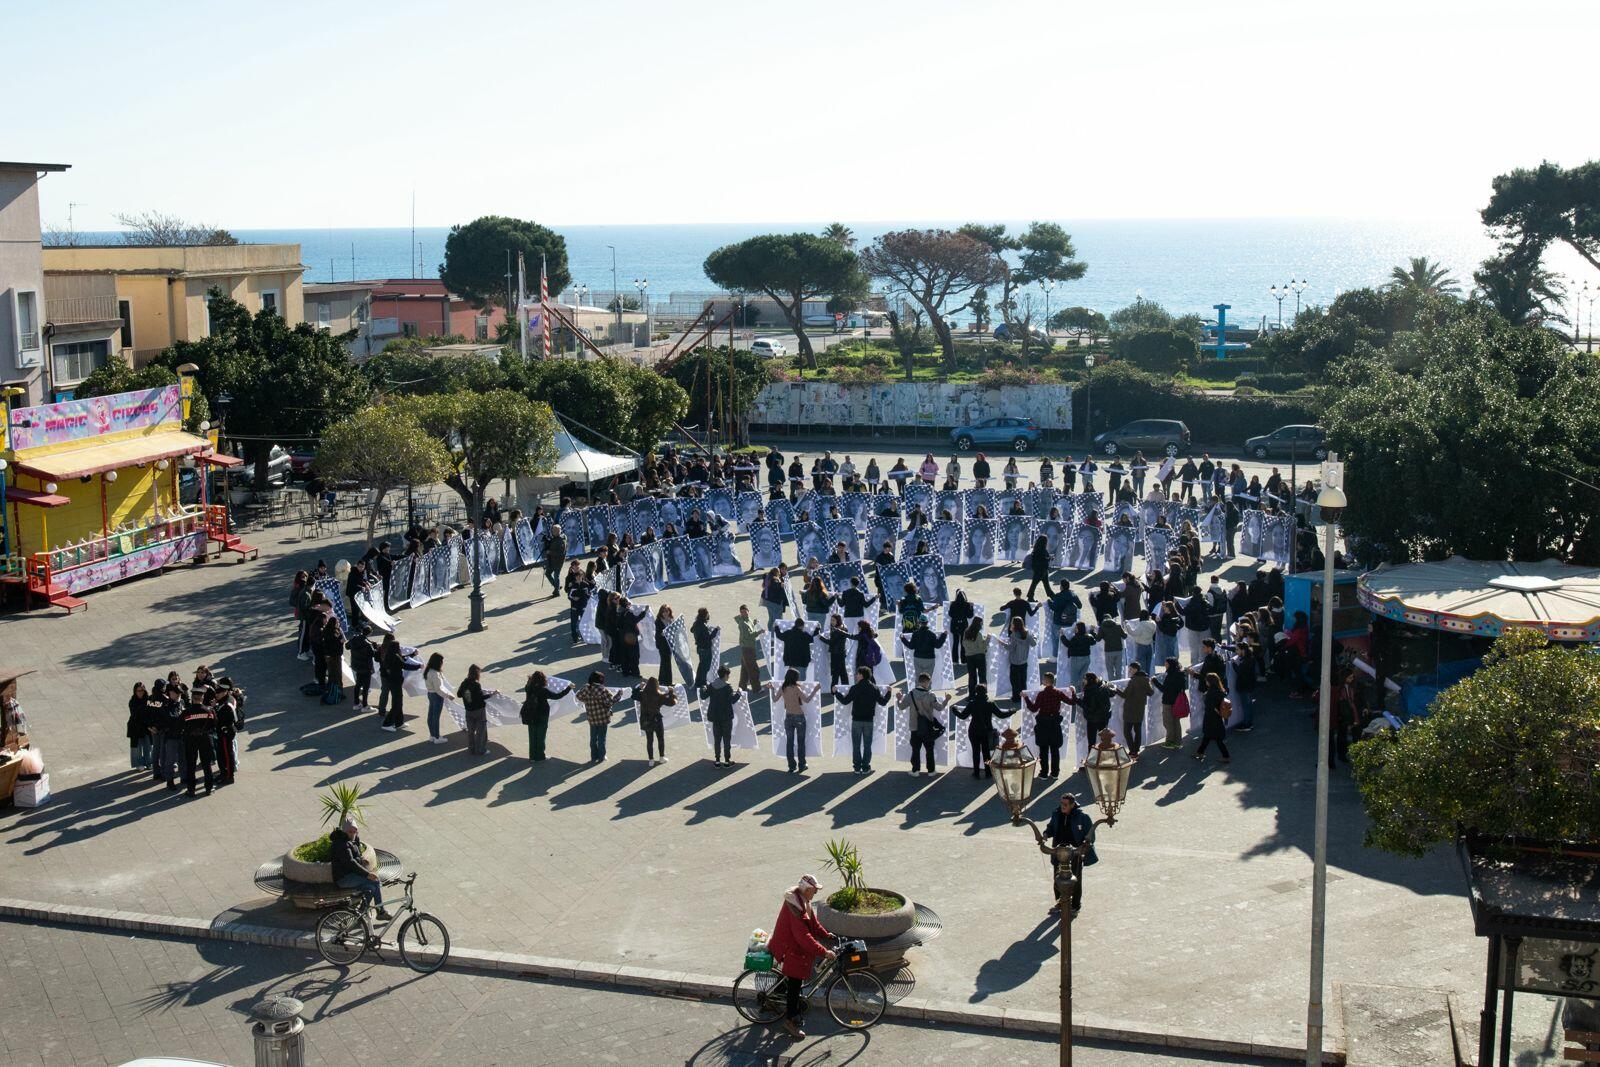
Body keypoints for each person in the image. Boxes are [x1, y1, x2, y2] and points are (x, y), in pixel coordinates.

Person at [765, 874, 836, 1041]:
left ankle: (771, 1001)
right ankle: (790, 1022)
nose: (815, 894)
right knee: (795, 985)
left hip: (791, 945)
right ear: (807, 889)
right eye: (814, 890)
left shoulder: (802, 900)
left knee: (790, 979)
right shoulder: (795, 906)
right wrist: (823, 951)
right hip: (788, 947)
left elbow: (813, 924)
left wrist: (827, 935)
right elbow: (802, 936)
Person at [1044, 793, 1097, 914]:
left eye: (1065, 804)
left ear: (1073, 805)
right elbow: (1051, 827)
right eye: (1061, 803)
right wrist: (1046, 834)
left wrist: (1085, 845)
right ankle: (1061, 902)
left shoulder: (1083, 817)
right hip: (1059, 852)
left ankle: (1075, 905)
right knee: (1057, 878)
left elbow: (1090, 835)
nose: (1062, 806)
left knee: (1075, 880)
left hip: (1074, 853)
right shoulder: (1056, 814)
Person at [330, 818, 390, 921]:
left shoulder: (353, 839)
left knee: (370, 888)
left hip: (351, 875)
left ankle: (360, 914)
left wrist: (361, 860)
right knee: (375, 881)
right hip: (344, 878)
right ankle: (380, 912)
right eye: (350, 831)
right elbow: (350, 863)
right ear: (344, 831)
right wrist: (367, 874)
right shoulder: (341, 844)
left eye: (355, 831)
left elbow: (355, 857)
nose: (353, 834)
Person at [836, 667, 892, 774]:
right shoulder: (874, 688)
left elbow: (844, 701)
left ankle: (857, 767)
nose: (856, 676)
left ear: (861, 675)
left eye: (857, 674)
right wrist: (889, 693)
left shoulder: (855, 688)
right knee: (867, 745)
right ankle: (866, 767)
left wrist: (836, 693)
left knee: (856, 745)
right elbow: (883, 702)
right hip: (869, 721)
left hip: (856, 720)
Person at [953, 684, 1010, 778]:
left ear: (976, 692)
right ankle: (988, 773)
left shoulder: (972, 703)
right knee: (986, 752)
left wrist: (954, 710)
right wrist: (1011, 711)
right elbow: (1001, 715)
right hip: (987, 732)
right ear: (985, 692)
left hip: (974, 730)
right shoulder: (990, 703)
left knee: (975, 752)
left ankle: (976, 773)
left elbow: (963, 716)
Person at [899, 673, 950, 776]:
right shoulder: (931, 695)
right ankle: (931, 771)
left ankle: (915, 770)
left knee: (915, 750)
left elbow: (901, 706)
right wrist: (947, 700)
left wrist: (898, 698)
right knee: (929, 750)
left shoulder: (911, 694)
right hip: (928, 727)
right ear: (925, 682)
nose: (929, 684)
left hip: (915, 727)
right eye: (929, 682)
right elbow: (939, 708)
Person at [774, 669, 820, 773]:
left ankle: (791, 766)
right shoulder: (796, 689)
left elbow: (774, 699)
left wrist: (772, 689)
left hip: (788, 717)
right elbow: (807, 700)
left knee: (789, 743)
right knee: (801, 742)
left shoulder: (783, 688)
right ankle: (802, 765)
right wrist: (815, 690)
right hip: (799, 717)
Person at [1024, 674, 1070, 778]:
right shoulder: (1058, 693)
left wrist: (1026, 698)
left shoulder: (1042, 694)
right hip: (1054, 723)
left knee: (1043, 750)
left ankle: (1044, 773)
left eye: (1043, 679)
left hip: (1043, 724)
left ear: (1046, 681)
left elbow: (1033, 708)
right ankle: (1055, 773)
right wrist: (1073, 691)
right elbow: (1071, 702)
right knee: (1055, 750)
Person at [180, 688, 217, 797]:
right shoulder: (209, 711)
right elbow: (214, 724)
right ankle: (209, 788)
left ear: (192, 698)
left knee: (191, 765)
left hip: (190, 740)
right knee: (206, 764)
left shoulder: (186, 712)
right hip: (205, 739)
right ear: (202, 697)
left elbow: (180, 725)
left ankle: (191, 790)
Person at [1113, 664, 1153, 757]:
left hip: (1130, 710)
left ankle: (1132, 750)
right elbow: (1151, 693)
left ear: (1135, 669)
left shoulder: (1133, 681)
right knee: (1137, 730)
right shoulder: (1145, 680)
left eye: (1131, 669)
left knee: (1127, 731)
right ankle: (1136, 749)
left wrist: (1116, 689)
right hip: (1140, 709)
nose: (1129, 670)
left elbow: (1124, 695)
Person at [634, 677, 677, 764]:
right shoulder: (660, 696)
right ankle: (662, 758)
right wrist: (671, 691)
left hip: (646, 720)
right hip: (656, 719)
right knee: (660, 739)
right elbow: (672, 702)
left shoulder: (642, 694)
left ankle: (651, 760)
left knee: (649, 740)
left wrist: (639, 688)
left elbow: (633, 696)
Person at [521, 671, 562, 761]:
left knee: (532, 736)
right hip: (542, 715)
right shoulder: (543, 690)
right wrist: (568, 689)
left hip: (530, 714)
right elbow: (557, 696)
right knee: (540, 737)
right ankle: (540, 756)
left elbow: (528, 685)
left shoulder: (528, 688)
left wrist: (529, 680)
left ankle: (532, 757)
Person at [577, 671, 618, 762]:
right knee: (601, 738)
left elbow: (578, 696)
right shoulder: (603, 690)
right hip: (603, 717)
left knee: (593, 738)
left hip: (592, 717)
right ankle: (601, 757)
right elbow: (610, 702)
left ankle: (593, 757)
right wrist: (619, 695)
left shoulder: (586, 689)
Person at [457, 665, 494, 756]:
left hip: (468, 710)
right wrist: (492, 694)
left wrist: (467, 695)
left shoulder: (464, 683)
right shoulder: (476, 684)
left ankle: (471, 749)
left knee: (471, 731)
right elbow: (481, 697)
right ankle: (481, 750)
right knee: (481, 731)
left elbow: (459, 694)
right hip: (479, 710)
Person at [1194, 672, 1231, 763]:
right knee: (1208, 736)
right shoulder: (1220, 690)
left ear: (1210, 681)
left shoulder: (1210, 693)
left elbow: (1210, 705)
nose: (1206, 681)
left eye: (1207, 680)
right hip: (1216, 718)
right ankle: (1200, 752)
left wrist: (1216, 711)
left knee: (1216, 738)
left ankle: (1226, 756)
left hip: (1211, 718)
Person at [705, 666, 738, 766]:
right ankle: (727, 761)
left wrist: (703, 688)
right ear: (725, 675)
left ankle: (717, 760)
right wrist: (739, 692)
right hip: (726, 717)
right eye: (728, 675)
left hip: (715, 717)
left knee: (717, 739)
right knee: (727, 739)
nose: (728, 677)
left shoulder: (712, 685)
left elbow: (703, 695)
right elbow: (733, 700)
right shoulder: (727, 687)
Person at [735, 605, 763, 692]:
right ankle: (757, 688)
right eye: (742, 612)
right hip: (748, 648)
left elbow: (750, 629)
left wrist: (754, 623)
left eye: (745, 611)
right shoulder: (743, 624)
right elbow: (749, 636)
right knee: (753, 669)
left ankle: (742, 686)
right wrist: (759, 632)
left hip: (747, 648)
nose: (744, 613)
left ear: (748, 611)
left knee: (745, 669)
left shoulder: (748, 619)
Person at [691, 608, 719, 691]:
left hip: (700, 648)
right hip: (705, 648)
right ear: (705, 615)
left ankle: (698, 682)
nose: (709, 615)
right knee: (705, 667)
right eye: (708, 614)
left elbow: (692, 630)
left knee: (701, 665)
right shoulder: (703, 626)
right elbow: (709, 637)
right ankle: (702, 683)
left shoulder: (696, 623)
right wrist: (716, 630)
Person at [961, 617, 988, 692]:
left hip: (969, 657)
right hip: (979, 657)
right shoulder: (978, 634)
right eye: (981, 624)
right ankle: (983, 693)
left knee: (972, 677)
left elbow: (963, 643)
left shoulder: (966, 632)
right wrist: (987, 640)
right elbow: (982, 648)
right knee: (982, 676)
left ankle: (972, 694)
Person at [1025, 534, 1054, 601]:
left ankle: (1030, 597)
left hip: (1037, 570)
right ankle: (1052, 597)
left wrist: (1049, 558)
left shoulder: (1036, 549)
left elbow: (1041, 559)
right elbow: (1044, 559)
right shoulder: (1043, 550)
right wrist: (1050, 558)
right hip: (1042, 570)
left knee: (1036, 584)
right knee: (1043, 585)